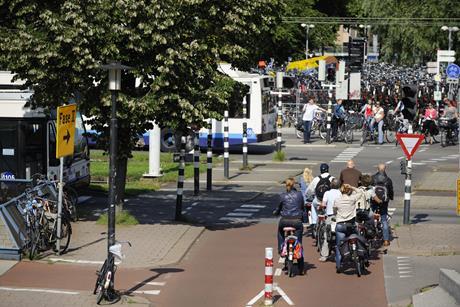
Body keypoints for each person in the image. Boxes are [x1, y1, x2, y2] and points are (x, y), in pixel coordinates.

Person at [333, 184, 364, 273]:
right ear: (348, 191)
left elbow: (334, 210)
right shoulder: (352, 199)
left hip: (340, 225)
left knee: (339, 246)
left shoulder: (337, 200)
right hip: (351, 225)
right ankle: (360, 257)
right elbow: (360, 192)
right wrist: (352, 187)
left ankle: (339, 266)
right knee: (358, 239)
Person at [274, 178, 304, 257]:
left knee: (280, 231)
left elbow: (278, 208)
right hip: (297, 221)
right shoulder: (300, 195)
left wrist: (275, 213)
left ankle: (281, 249)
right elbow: (302, 207)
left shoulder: (282, 196)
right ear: (294, 184)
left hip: (284, 221)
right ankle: (298, 248)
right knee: (299, 234)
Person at [306, 163, 335, 237]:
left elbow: (309, 191)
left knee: (313, 205)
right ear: (328, 169)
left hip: (318, 200)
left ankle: (314, 223)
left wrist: (308, 196)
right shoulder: (332, 178)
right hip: (327, 202)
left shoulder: (316, 179)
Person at [318, 178, 341, 262]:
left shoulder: (327, 193)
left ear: (331, 185)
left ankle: (324, 255)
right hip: (339, 216)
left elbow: (323, 204)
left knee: (326, 235)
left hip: (330, 216)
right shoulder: (341, 193)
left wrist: (320, 207)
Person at [371, 164, 394, 247]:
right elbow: (390, 191)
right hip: (383, 202)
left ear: (377, 169)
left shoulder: (373, 178)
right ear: (385, 169)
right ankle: (386, 240)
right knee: (384, 219)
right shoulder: (388, 180)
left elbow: (370, 188)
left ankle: (371, 237)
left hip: (374, 201)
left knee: (371, 218)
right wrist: (391, 198)